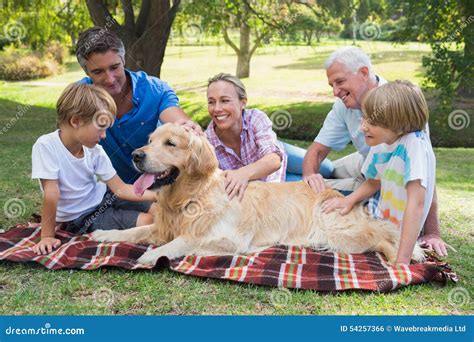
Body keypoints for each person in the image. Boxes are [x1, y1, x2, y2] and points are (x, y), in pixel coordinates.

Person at [302, 46, 448, 256]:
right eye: (331, 84)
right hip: (367, 163)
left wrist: (432, 232)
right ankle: (316, 173)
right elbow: (319, 151)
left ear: (363, 73)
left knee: (332, 189)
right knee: (321, 173)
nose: (334, 92)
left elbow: (425, 179)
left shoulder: (401, 104)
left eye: (340, 82)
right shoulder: (346, 109)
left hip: (384, 172)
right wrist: (310, 176)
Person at [31, 83, 157, 255]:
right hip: (83, 217)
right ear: (75, 121)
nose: (104, 135)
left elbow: (120, 189)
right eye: (101, 128)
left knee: (159, 209)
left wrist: (159, 195)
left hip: (105, 197)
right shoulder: (46, 146)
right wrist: (47, 235)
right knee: (149, 222)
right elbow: (51, 193)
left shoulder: (94, 150)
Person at [322, 81, 435, 265]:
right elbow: (374, 182)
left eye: (372, 122)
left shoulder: (414, 146)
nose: (363, 127)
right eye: (364, 118)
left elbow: (417, 203)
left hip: (405, 234)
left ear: (398, 125)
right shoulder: (381, 141)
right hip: (384, 224)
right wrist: (347, 200)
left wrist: (402, 261)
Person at [75, 27, 202, 184]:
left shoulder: (156, 90)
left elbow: (176, 121)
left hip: (163, 185)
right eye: (98, 72)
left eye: (115, 67)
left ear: (123, 60)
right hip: (114, 192)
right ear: (87, 72)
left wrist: (186, 127)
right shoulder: (78, 99)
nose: (110, 79)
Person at [206, 73, 287, 201]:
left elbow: (274, 160)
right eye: (211, 102)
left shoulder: (255, 119)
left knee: (324, 167)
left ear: (242, 103)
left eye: (225, 100)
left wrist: (242, 173)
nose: (217, 108)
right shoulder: (207, 142)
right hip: (260, 186)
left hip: (275, 154)